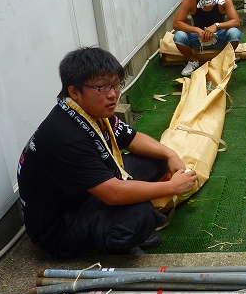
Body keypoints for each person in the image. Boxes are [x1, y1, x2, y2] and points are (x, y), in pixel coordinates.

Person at [17, 47, 198, 258]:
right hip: (59, 227)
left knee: (157, 159)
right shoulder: (65, 137)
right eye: (102, 87)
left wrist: (170, 155)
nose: (112, 94)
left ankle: (122, 225)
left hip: (82, 193)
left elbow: (131, 138)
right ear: (74, 91)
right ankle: (119, 243)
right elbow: (113, 194)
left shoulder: (88, 110)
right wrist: (172, 187)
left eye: (115, 84)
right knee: (141, 214)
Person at [173, 0, 242, 77]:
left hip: (218, 36)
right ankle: (193, 61)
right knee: (179, 36)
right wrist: (197, 30)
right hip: (198, 38)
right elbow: (177, 23)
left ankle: (225, 59)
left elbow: (236, 22)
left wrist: (216, 26)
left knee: (234, 32)